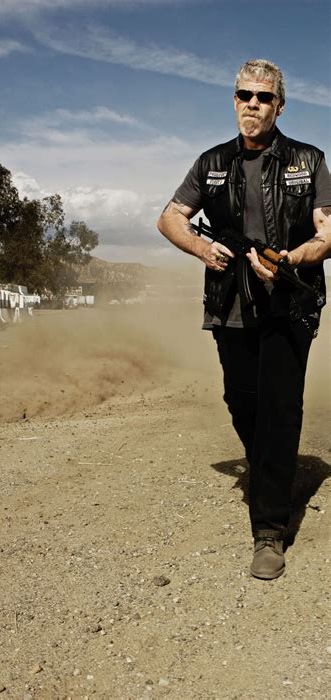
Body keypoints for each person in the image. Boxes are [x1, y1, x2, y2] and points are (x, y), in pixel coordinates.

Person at [157, 59, 331, 580]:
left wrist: (290, 259)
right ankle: (270, 467)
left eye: (263, 97)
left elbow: (329, 231)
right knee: (241, 400)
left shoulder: (308, 160)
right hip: (229, 304)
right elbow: (169, 216)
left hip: (289, 304)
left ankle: (269, 531)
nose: (252, 104)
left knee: (279, 409)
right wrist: (201, 248)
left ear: (279, 105)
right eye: (243, 95)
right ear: (234, 100)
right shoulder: (211, 162)